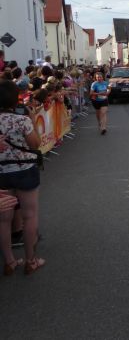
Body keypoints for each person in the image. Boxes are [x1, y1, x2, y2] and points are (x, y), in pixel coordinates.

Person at [0, 80, 44, 275]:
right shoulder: (21, 120)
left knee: (3, 220)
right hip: (24, 169)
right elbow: (35, 144)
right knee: (29, 215)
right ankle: (30, 260)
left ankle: (9, 261)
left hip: (2, 172)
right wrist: (32, 120)